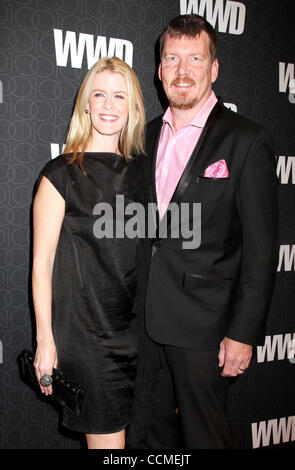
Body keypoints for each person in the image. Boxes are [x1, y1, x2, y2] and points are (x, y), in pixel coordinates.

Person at [126, 14, 278, 449]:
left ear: (214, 69)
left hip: (205, 327)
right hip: (143, 322)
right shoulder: (144, 136)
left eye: (195, 58)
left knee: (205, 437)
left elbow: (261, 250)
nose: (182, 70)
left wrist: (243, 333)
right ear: (159, 71)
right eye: (172, 58)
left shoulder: (246, 140)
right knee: (147, 436)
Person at [32, 56, 145, 449]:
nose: (109, 105)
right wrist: (46, 341)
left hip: (144, 336)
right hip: (90, 339)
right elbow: (42, 264)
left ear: (133, 107)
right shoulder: (60, 174)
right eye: (100, 95)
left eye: (120, 96)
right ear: (86, 104)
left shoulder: (144, 175)